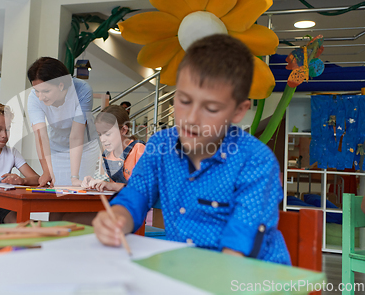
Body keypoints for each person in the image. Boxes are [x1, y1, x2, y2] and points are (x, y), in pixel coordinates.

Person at [93, 34, 291, 265]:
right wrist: (118, 219)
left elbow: (239, 246)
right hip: (189, 268)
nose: (192, 119)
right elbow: (136, 195)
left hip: (251, 278)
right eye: (184, 101)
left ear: (239, 110)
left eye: (211, 108)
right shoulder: (161, 146)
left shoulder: (256, 161)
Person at [27, 57, 99, 187]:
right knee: (57, 191)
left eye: (46, 91)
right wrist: (46, 171)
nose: (41, 97)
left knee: (79, 191)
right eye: (37, 91)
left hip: (84, 147)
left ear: (60, 85)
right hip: (57, 146)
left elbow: (76, 136)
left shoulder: (82, 90)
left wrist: (74, 177)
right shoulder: (34, 97)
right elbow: (40, 136)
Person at [82, 105, 145, 192]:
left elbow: (144, 187)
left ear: (123, 130)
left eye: (107, 134)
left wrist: (111, 186)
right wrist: (96, 183)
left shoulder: (139, 149)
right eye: (99, 134)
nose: (102, 139)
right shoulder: (109, 154)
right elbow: (114, 184)